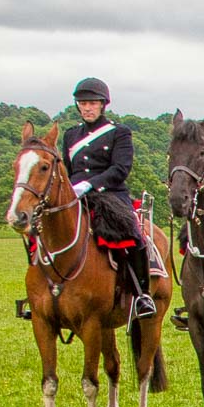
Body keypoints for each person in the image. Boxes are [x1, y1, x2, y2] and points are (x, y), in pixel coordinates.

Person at [61, 77, 157, 320]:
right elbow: (66, 168)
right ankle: (42, 293)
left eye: (92, 103)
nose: (87, 108)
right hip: (74, 196)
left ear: (103, 104)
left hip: (109, 194)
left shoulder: (119, 133)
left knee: (131, 232)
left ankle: (141, 294)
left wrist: (90, 185)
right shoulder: (71, 135)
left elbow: (120, 169)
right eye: (83, 103)